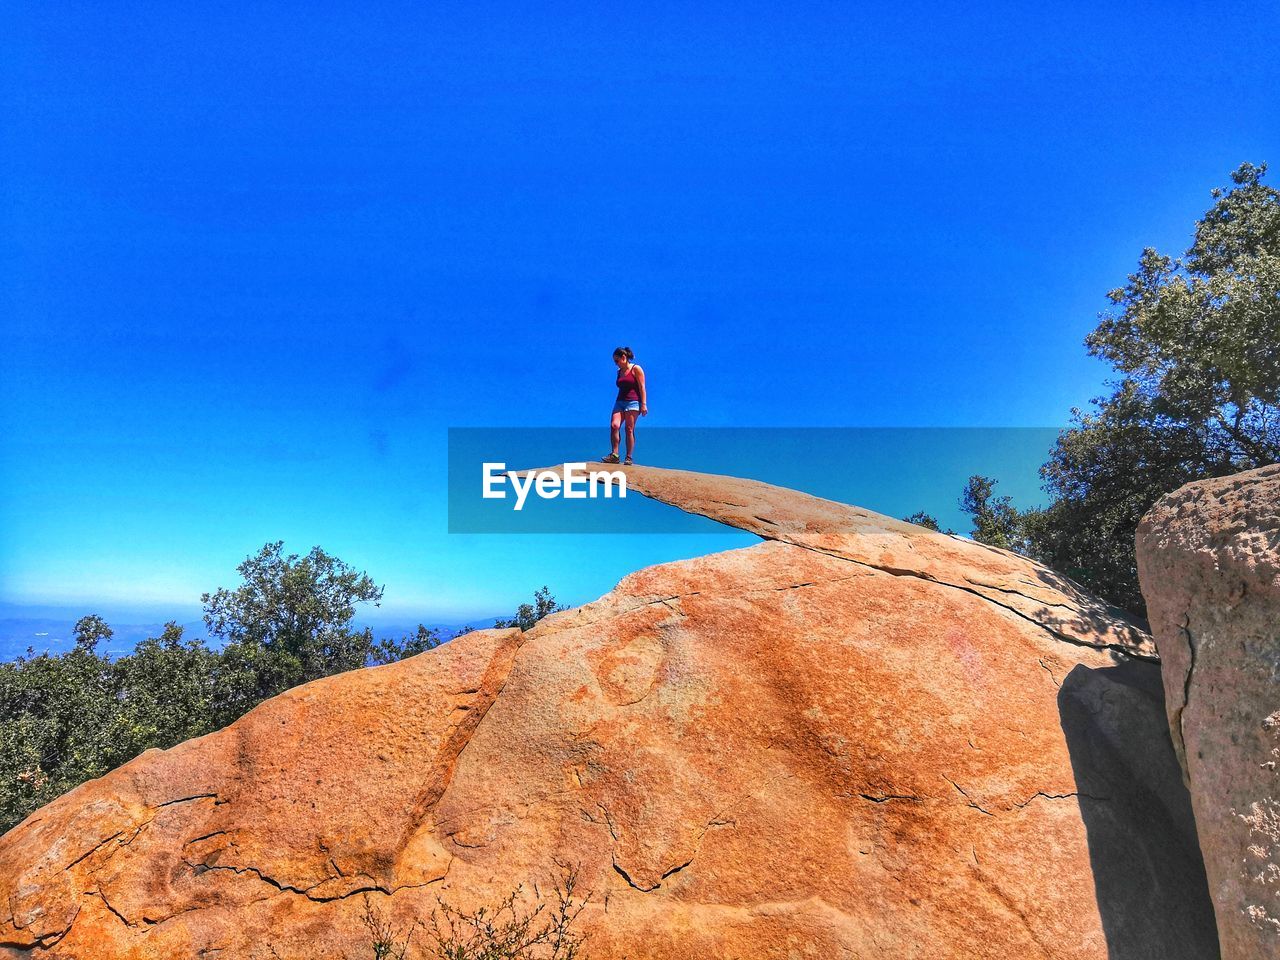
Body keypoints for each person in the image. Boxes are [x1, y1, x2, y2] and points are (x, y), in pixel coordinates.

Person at [602, 346, 647, 464]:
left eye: (617, 361)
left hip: (633, 402)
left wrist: (644, 404)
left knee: (629, 429)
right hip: (620, 402)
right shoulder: (619, 372)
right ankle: (615, 455)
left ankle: (629, 457)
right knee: (614, 425)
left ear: (624, 357)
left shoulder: (636, 369)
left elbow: (642, 387)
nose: (615, 364)